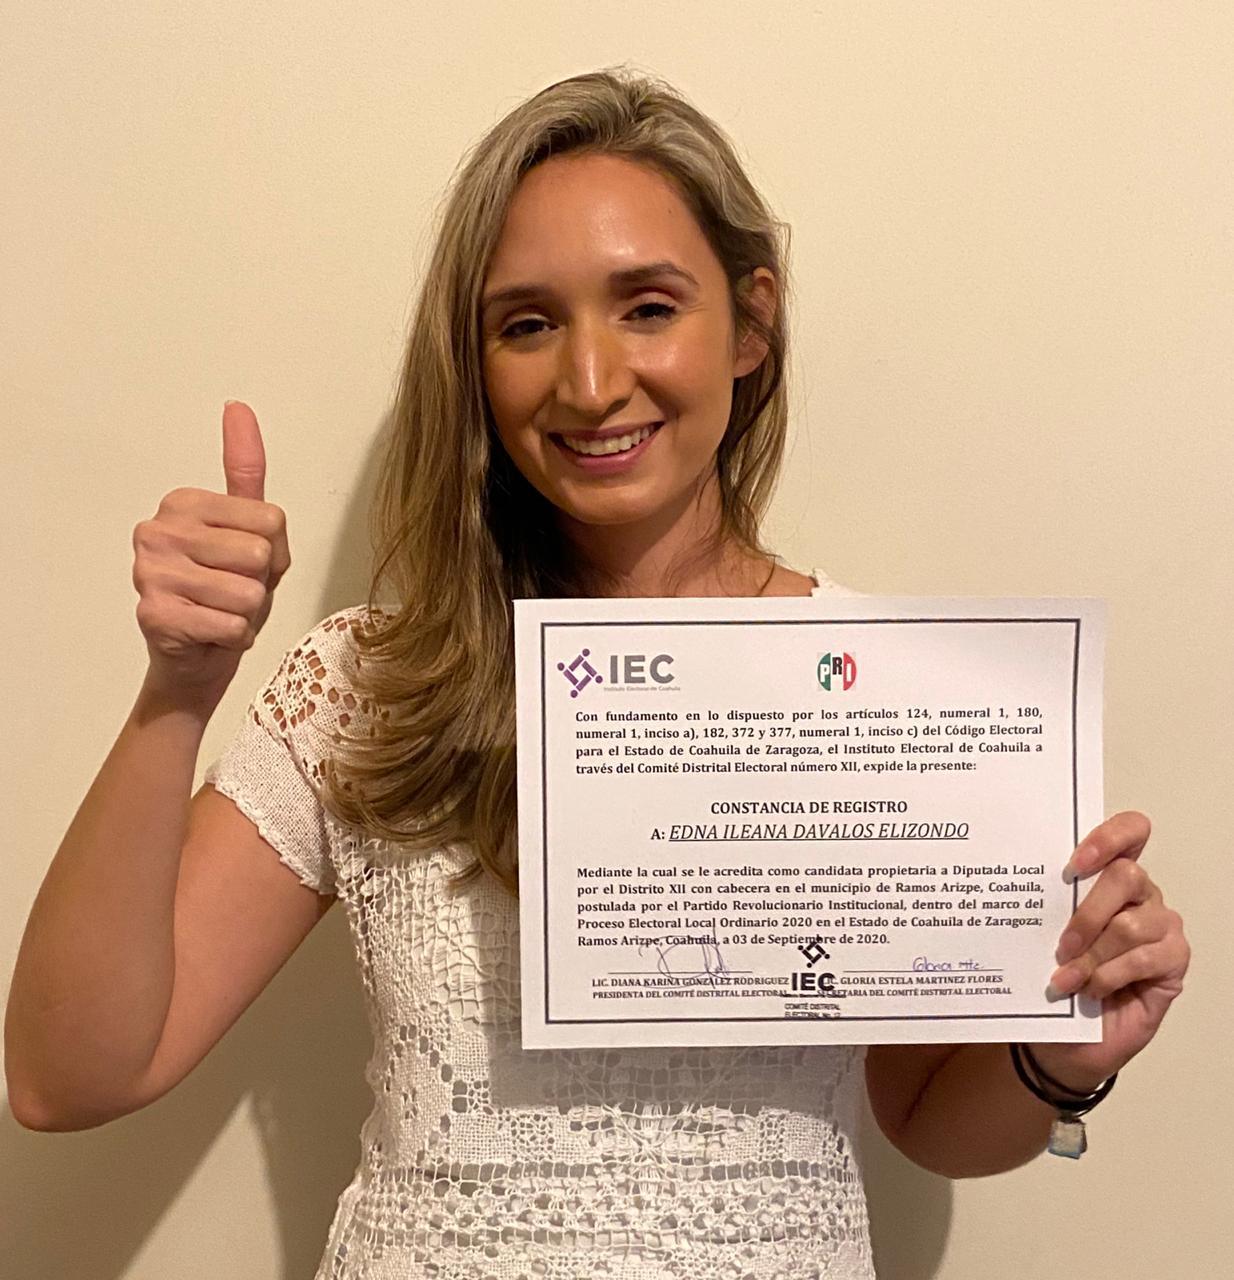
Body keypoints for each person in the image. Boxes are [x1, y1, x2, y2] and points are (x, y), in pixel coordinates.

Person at [6, 65, 1190, 1279]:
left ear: (751, 323)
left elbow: (927, 1120)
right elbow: (66, 1076)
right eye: (526, 323)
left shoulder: (873, 692)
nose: (588, 381)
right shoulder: (370, 686)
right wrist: (179, 690)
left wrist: (1065, 1046)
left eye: (646, 307)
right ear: (475, 363)